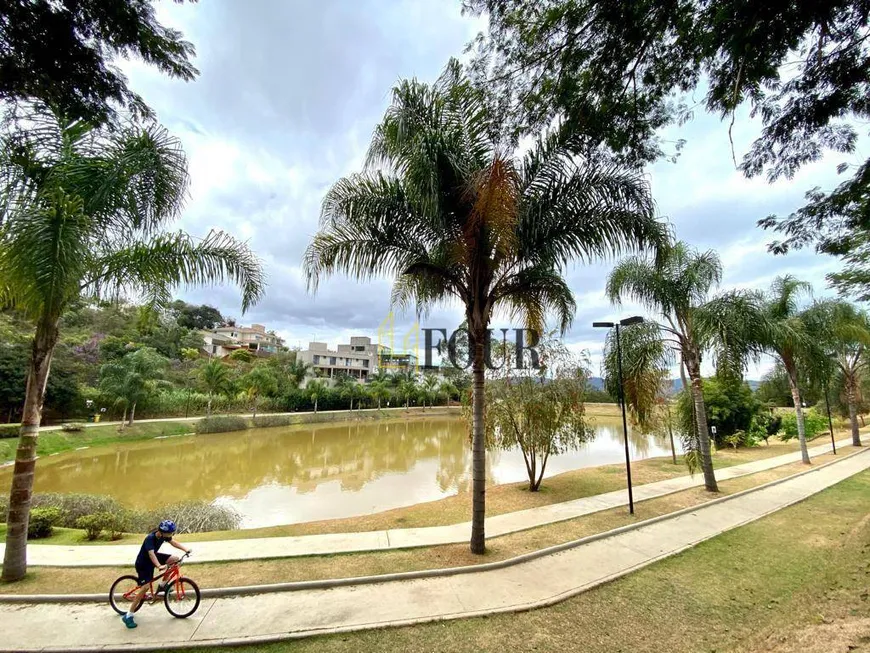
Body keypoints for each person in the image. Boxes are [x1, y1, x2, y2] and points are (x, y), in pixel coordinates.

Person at [121, 519, 192, 629]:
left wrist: (185, 549)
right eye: (170, 533)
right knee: (144, 588)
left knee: (175, 559)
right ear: (162, 531)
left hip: (153, 557)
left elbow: (173, 542)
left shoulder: (164, 536)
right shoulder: (150, 538)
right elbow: (151, 554)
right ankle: (128, 615)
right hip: (143, 563)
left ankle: (163, 585)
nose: (171, 535)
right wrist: (159, 566)